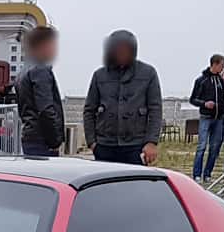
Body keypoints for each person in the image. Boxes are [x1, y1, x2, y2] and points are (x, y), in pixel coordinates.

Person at [81, 30, 161, 166]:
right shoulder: (99, 75)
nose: (122, 54)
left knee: (134, 185)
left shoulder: (148, 73)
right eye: (118, 50)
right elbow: (89, 110)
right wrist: (92, 142)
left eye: (126, 50)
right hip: (104, 146)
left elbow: (155, 109)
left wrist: (151, 142)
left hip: (135, 145)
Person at [13, 25, 64, 157]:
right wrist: (54, 141)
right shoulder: (41, 70)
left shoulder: (23, 71)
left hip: (29, 136)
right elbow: (45, 109)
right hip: (42, 140)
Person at [189, 54, 224, 181]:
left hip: (219, 118)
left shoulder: (220, 81)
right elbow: (193, 99)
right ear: (215, 64)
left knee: (215, 147)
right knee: (202, 146)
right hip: (206, 117)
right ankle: (197, 173)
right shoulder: (201, 80)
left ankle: (207, 173)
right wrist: (204, 104)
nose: (223, 68)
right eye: (222, 65)